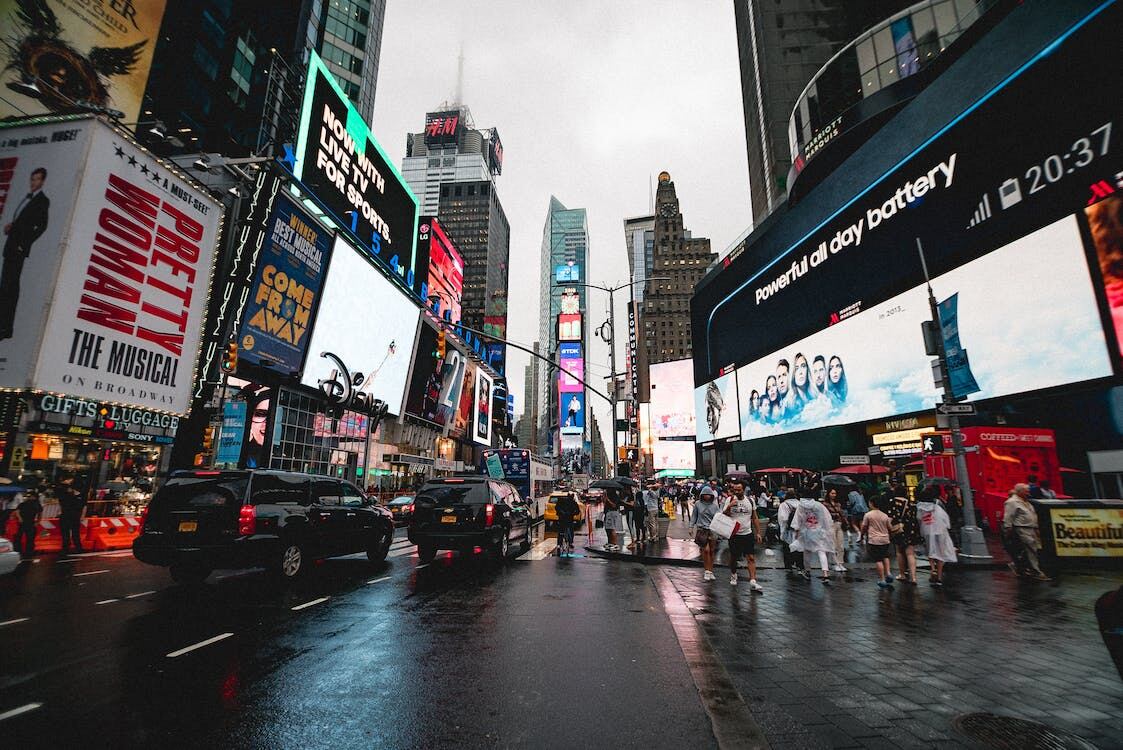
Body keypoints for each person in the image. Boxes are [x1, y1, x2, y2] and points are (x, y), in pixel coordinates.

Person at [1, 167, 50, 340]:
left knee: (10, 287)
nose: (33, 182)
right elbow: (24, 222)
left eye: (36, 179)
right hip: (11, 246)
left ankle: (6, 328)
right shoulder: (28, 198)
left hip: (18, 249)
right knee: (5, 286)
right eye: (32, 179)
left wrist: (24, 244)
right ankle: (4, 326)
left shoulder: (42, 201)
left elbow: (42, 226)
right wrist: (12, 227)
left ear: (42, 181)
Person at [723, 480, 764, 592]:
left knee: (750, 557)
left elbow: (754, 517)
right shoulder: (729, 499)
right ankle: (733, 574)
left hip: (747, 533)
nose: (736, 491)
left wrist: (758, 532)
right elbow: (723, 514)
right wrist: (729, 506)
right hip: (734, 534)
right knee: (734, 557)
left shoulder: (750, 501)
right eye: (735, 490)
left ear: (744, 489)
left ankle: (753, 580)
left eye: (739, 490)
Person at [1003, 483, 1050, 580]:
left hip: (1030, 528)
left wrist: (1036, 528)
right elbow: (1008, 517)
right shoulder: (1012, 502)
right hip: (1022, 528)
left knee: (1031, 549)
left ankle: (1018, 566)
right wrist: (1008, 529)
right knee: (1031, 550)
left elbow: (1032, 515)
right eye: (1026, 491)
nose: (1028, 492)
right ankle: (1036, 571)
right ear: (1019, 491)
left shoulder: (1026, 502)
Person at [791, 487, 834, 581]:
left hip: (806, 532)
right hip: (819, 531)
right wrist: (827, 530)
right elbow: (826, 518)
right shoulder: (819, 505)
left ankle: (807, 570)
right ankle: (825, 573)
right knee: (821, 551)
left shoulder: (801, 507)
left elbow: (797, 521)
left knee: (807, 551)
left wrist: (797, 533)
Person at [916, 487, 956, 586]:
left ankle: (933, 569)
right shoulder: (937, 506)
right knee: (941, 552)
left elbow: (919, 519)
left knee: (930, 551)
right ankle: (939, 576)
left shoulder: (920, 508)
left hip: (927, 531)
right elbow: (945, 519)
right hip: (940, 530)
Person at [888, 485, 921, 585]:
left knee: (899, 552)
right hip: (910, 529)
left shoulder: (892, 502)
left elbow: (891, 518)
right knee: (910, 553)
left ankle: (902, 574)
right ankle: (914, 577)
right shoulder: (911, 503)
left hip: (899, 530)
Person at [861, 496, 895, 588]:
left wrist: (861, 535)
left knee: (878, 560)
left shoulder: (868, 515)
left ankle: (882, 579)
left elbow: (864, 527)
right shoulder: (885, 515)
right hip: (885, 539)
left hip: (874, 540)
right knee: (886, 556)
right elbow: (890, 528)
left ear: (871, 503)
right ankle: (888, 573)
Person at [689, 485, 721, 581]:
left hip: (712, 530)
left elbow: (718, 518)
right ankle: (706, 570)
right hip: (702, 529)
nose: (707, 496)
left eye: (709, 494)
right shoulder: (698, 504)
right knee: (705, 550)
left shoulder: (715, 506)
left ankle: (710, 570)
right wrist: (691, 527)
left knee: (711, 551)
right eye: (705, 494)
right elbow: (694, 516)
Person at [56, 475, 86, 554]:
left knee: (74, 533)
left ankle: (77, 547)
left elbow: (84, 506)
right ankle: (67, 547)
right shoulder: (65, 494)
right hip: (67, 515)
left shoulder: (80, 496)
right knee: (67, 533)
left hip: (73, 516)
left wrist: (82, 516)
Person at [822, 487, 847, 572]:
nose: (833, 495)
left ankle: (840, 563)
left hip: (839, 524)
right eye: (832, 493)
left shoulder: (838, 504)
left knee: (840, 544)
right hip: (831, 524)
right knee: (834, 544)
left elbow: (842, 514)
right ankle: (835, 563)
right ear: (828, 494)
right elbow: (825, 515)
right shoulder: (825, 504)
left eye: (835, 493)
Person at [777, 488, 802, 572]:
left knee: (787, 547)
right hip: (799, 529)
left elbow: (782, 518)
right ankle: (799, 565)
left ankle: (788, 565)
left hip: (788, 529)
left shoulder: (784, 505)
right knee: (799, 547)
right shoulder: (800, 504)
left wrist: (782, 530)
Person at [15, 489, 42, 558]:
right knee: (19, 536)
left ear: (34, 497)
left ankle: (29, 551)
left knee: (30, 538)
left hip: (31, 522)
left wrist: (37, 522)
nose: (29, 497)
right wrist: (20, 518)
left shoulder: (37, 505)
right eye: (28, 496)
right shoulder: (24, 503)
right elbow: (17, 511)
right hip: (23, 522)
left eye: (31, 496)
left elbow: (40, 514)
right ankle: (18, 549)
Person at [554, 491, 580, 556]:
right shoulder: (572, 502)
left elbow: (557, 508)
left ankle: (559, 544)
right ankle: (569, 543)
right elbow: (577, 511)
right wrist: (573, 513)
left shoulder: (562, 501)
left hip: (563, 518)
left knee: (561, 531)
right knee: (569, 530)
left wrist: (561, 513)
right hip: (567, 519)